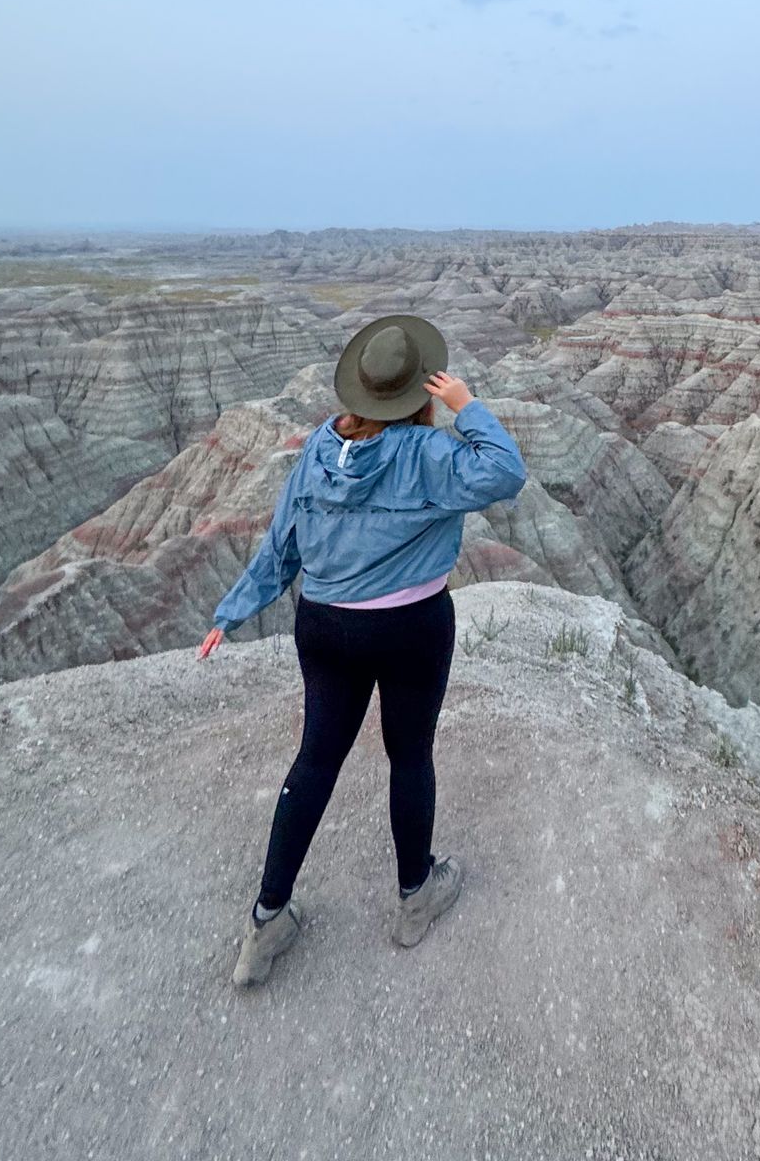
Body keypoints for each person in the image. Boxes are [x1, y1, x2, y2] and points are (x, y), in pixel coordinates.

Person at [197, 313, 527, 987]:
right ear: (419, 394)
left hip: (322, 627)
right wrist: (468, 407)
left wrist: (233, 611)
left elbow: (281, 542)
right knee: (410, 756)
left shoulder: (319, 447)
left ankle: (266, 921)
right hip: (409, 628)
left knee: (316, 758)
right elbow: (504, 472)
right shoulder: (429, 455)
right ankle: (414, 898)